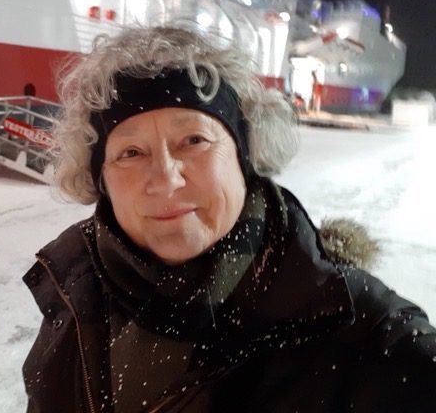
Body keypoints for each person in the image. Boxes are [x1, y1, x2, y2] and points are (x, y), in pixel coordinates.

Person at [22, 26, 436, 412]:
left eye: (193, 140)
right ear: (103, 180)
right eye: (131, 153)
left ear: (244, 156)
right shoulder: (74, 303)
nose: (165, 179)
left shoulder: (358, 328)